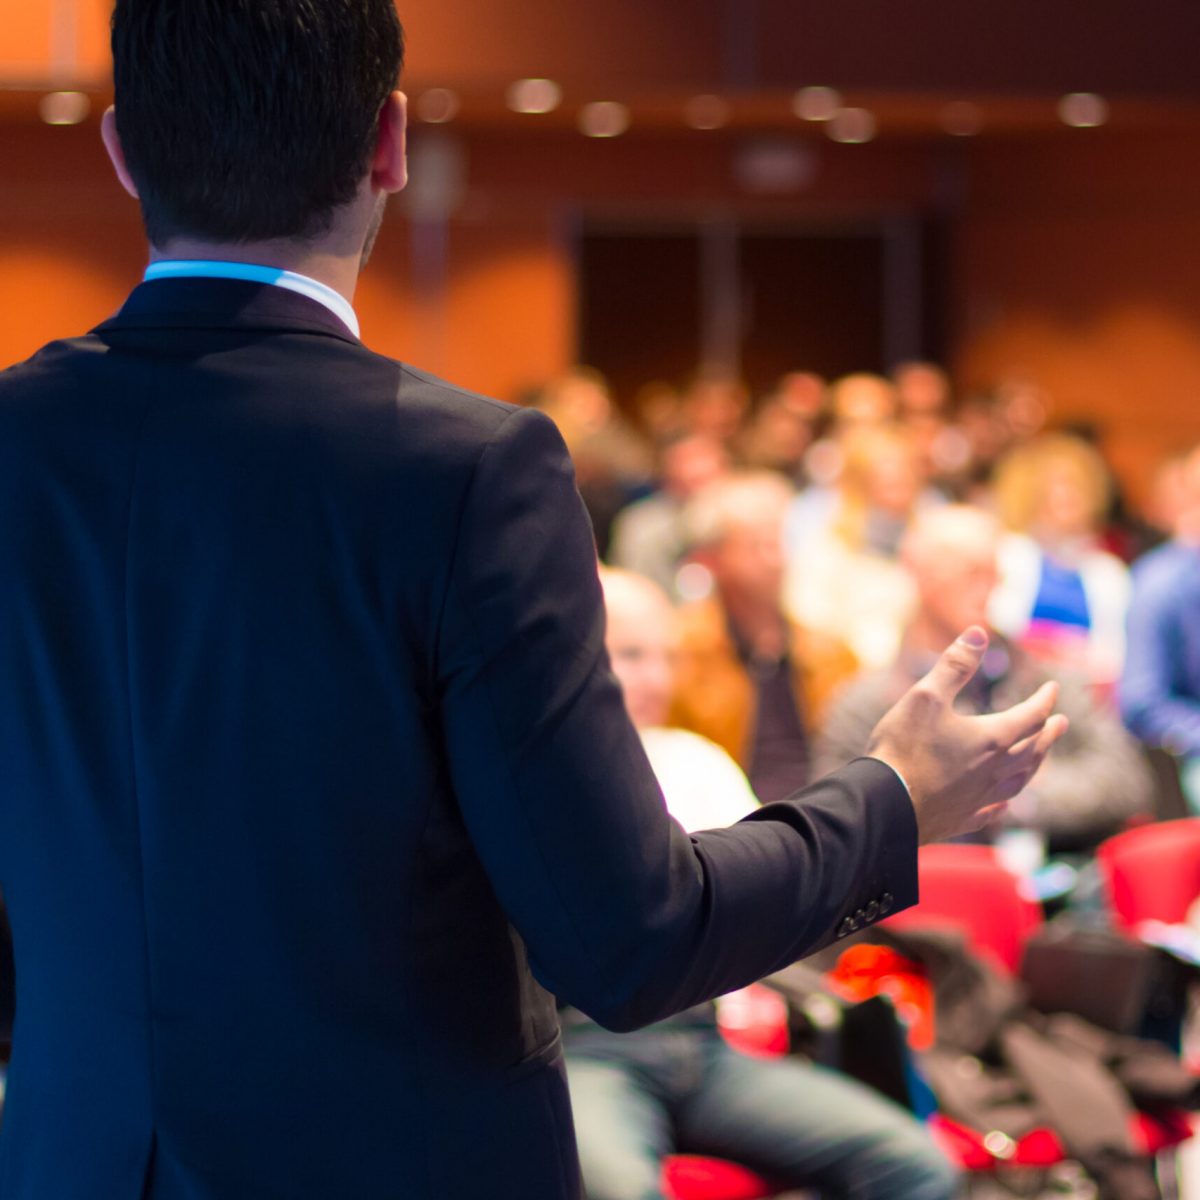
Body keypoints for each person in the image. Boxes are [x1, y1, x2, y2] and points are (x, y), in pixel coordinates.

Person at [0, 3, 1065, 1197]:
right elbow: (628, 936)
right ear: (389, 145)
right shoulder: (462, 470)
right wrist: (895, 801)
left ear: (121, 148)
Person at [564, 569, 959, 1200]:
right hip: (588, 1051)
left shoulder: (694, 758)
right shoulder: (544, 783)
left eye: (667, 657)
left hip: (703, 1045)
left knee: (917, 1164)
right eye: (632, 655)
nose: (658, 679)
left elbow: (775, 898)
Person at [818, 506, 1151, 855]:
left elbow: (1127, 782)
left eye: (996, 573)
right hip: (932, 893)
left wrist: (1015, 790)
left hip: (1058, 884)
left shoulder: (1046, 679)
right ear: (918, 573)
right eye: (971, 571)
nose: (990, 587)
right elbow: (844, 822)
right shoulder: (866, 703)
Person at [669, 471, 859, 803]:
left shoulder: (832, 652)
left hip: (822, 817)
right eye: (757, 546)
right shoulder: (680, 652)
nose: (776, 559)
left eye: (779, 542)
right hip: (729, 825)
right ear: (713, 561)